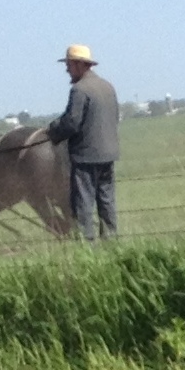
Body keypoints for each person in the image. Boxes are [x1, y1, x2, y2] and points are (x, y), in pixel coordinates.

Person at [47, 44, 120, 241]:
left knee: (83, 205)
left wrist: (53, 132)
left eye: (69, 65)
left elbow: (72, 123)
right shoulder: (107, 87)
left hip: (85, 157)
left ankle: (87, 248)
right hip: (108, 154)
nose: (67, 69)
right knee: (107, 203)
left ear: (80, 65)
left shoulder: (80, 90)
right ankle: (112, 244)